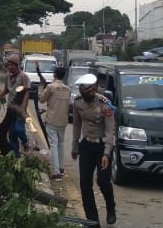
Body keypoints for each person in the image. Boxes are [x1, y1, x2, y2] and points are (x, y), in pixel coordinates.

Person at [71, 73, 117, 226]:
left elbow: (111, 130)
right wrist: (74, 147)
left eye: (89, 92)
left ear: (94, 89)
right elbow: (76, 125)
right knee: (85, 184)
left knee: (103, 181)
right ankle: (92, 220)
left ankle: (111, 208)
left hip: (102, 146)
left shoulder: (105, 103)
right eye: (83, 93)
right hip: (86, 146)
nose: (86, 96)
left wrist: (107, 153)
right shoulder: (77, 103)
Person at [0, 53, 30, 156]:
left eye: (11, 65)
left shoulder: (23, 77)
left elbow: (27, 93)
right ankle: (15, 157)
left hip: (19, 109)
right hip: (10, 108)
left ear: (17, 65)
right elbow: (5, 91)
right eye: (8, 66)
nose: (9, 67)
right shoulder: (7, 77)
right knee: (12, 134)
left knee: (18, 129)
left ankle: (25, 143)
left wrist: (23, 109)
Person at [39, 65, 70, 180]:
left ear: (54, 75)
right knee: (60, 144)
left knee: (53, 145)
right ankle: (61, 168)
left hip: (52, 121)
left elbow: (41, 99)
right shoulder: (68, 89)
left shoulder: (51, 87)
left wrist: (42, 87)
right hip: (63, 121)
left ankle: (56, 172)